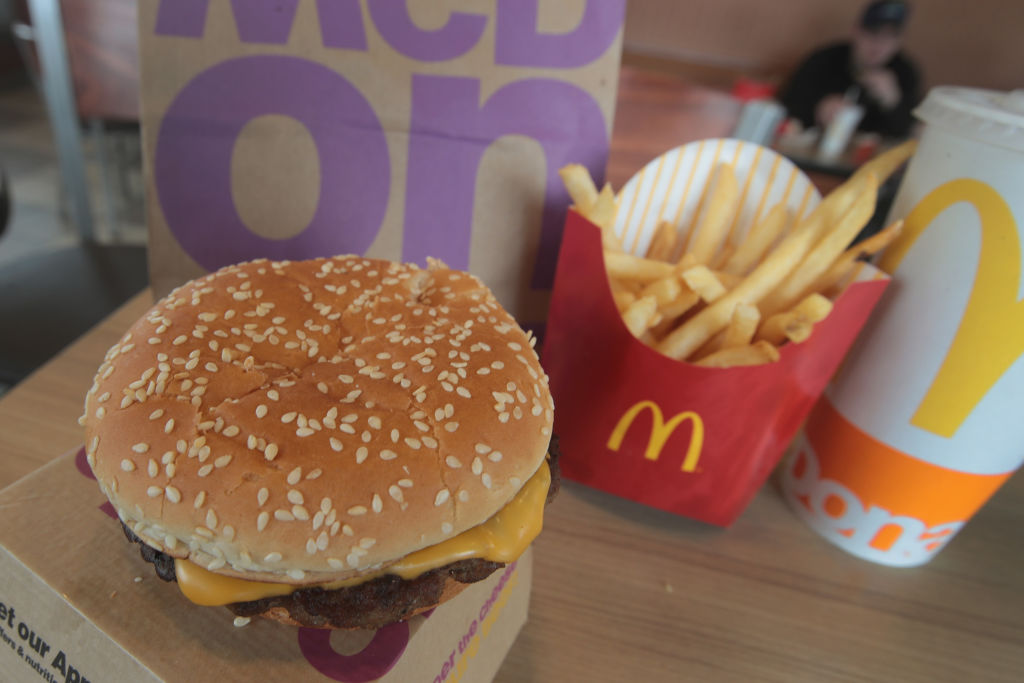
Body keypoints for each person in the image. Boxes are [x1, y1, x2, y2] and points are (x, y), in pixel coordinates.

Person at [779, 1, 921, 138]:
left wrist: (893, 102)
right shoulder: (825, 59)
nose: (879, 44)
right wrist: (818, 108)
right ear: (856, 31)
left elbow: (908, 132)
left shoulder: (906, 73)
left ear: (900, 40)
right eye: (873, 32)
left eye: (890, 36)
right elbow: (786, 103)